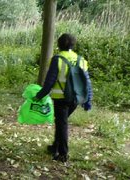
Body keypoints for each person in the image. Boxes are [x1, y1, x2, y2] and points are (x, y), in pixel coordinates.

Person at [34, 33, 93, 162]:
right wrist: (88, 100)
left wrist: (39, 96)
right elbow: (87, 81)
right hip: (75, 99)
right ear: (73, 44)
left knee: (62, 124)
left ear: (59, 44)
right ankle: (55, 146)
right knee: (61, 122)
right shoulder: (80, 59)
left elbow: (49, 82)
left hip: (61, 98)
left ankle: (63, 154)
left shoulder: (58, 59)